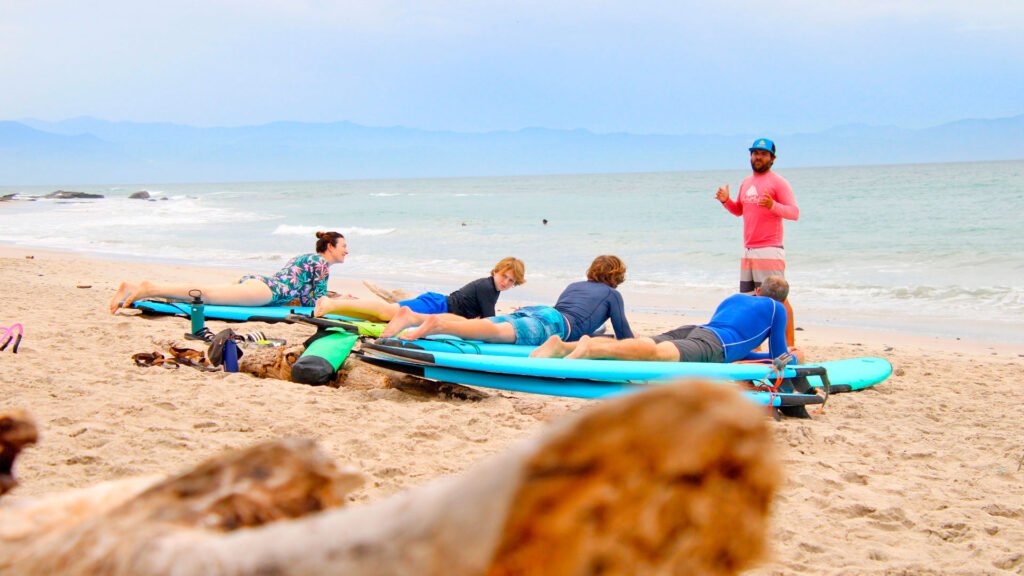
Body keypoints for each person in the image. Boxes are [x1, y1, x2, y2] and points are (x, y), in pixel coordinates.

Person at [531, 275, 802, 366]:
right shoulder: (778, 309)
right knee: (655, 354)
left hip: (696, 330)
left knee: (647, 344)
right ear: (783, 300)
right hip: (713, 344)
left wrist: (751, 355)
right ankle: (590, 347)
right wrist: (796, 357)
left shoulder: (735, 298)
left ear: (758, 290)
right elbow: (779, 357)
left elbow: (733, 339)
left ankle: (563, 347)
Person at [382, 255, 634, 345]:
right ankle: (437, 323)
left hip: (542, 313)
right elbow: (624, 335)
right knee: (491, 331)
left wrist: (596, 336)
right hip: (553, 325)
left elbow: (569, 315)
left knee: (495, 324)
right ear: (616, 276)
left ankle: (414, 317)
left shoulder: (575, 285)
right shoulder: (613, 294)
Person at [109, 231, 348, 314]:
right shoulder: (321, 265)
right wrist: (341, 301)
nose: (346, 252)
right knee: (208, 295)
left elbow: (297, 288)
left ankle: (133, 290)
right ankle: (150, 288)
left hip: (261, 283)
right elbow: (314, 302)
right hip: (265, 292)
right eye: (344, 247)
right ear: (330, 247)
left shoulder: (304, 257)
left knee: (210, 294)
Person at [715, 137, 799, 345]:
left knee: (777, 299)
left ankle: (789, 345)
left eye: (763, 154)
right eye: (755, 153)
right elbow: (739, 211)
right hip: (749, 250)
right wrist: (726, 201)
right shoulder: (746, 183)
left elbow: (794, 212)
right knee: (750, 301)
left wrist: (773, 206)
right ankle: (755, 347)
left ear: (772, 158)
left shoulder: (778, 182)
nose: (758, 157)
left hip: (769, 249)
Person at [313, 257, 526, 321]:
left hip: (439, 309)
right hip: (436, 305)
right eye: (504, 276)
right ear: (495, 272)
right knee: (389, 311)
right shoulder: (487, 287)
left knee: (383, 317)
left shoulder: (493, 289)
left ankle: (337, 309)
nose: (506, 282)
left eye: (511, 281)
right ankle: (333, 303)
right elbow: (490, 322)